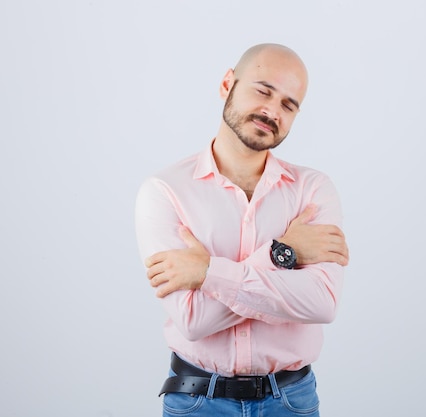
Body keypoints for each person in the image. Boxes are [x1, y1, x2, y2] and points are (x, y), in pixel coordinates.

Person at [135, 43, 349, 417]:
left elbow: (321, 303)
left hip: (291, 401)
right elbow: (194, 320)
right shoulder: (166, 191)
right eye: (263, 91)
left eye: (288, 104)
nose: (272, 111)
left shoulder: (313, 190)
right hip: (197, 401)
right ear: (226, 84)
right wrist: (284, 254)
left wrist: (207, 272)